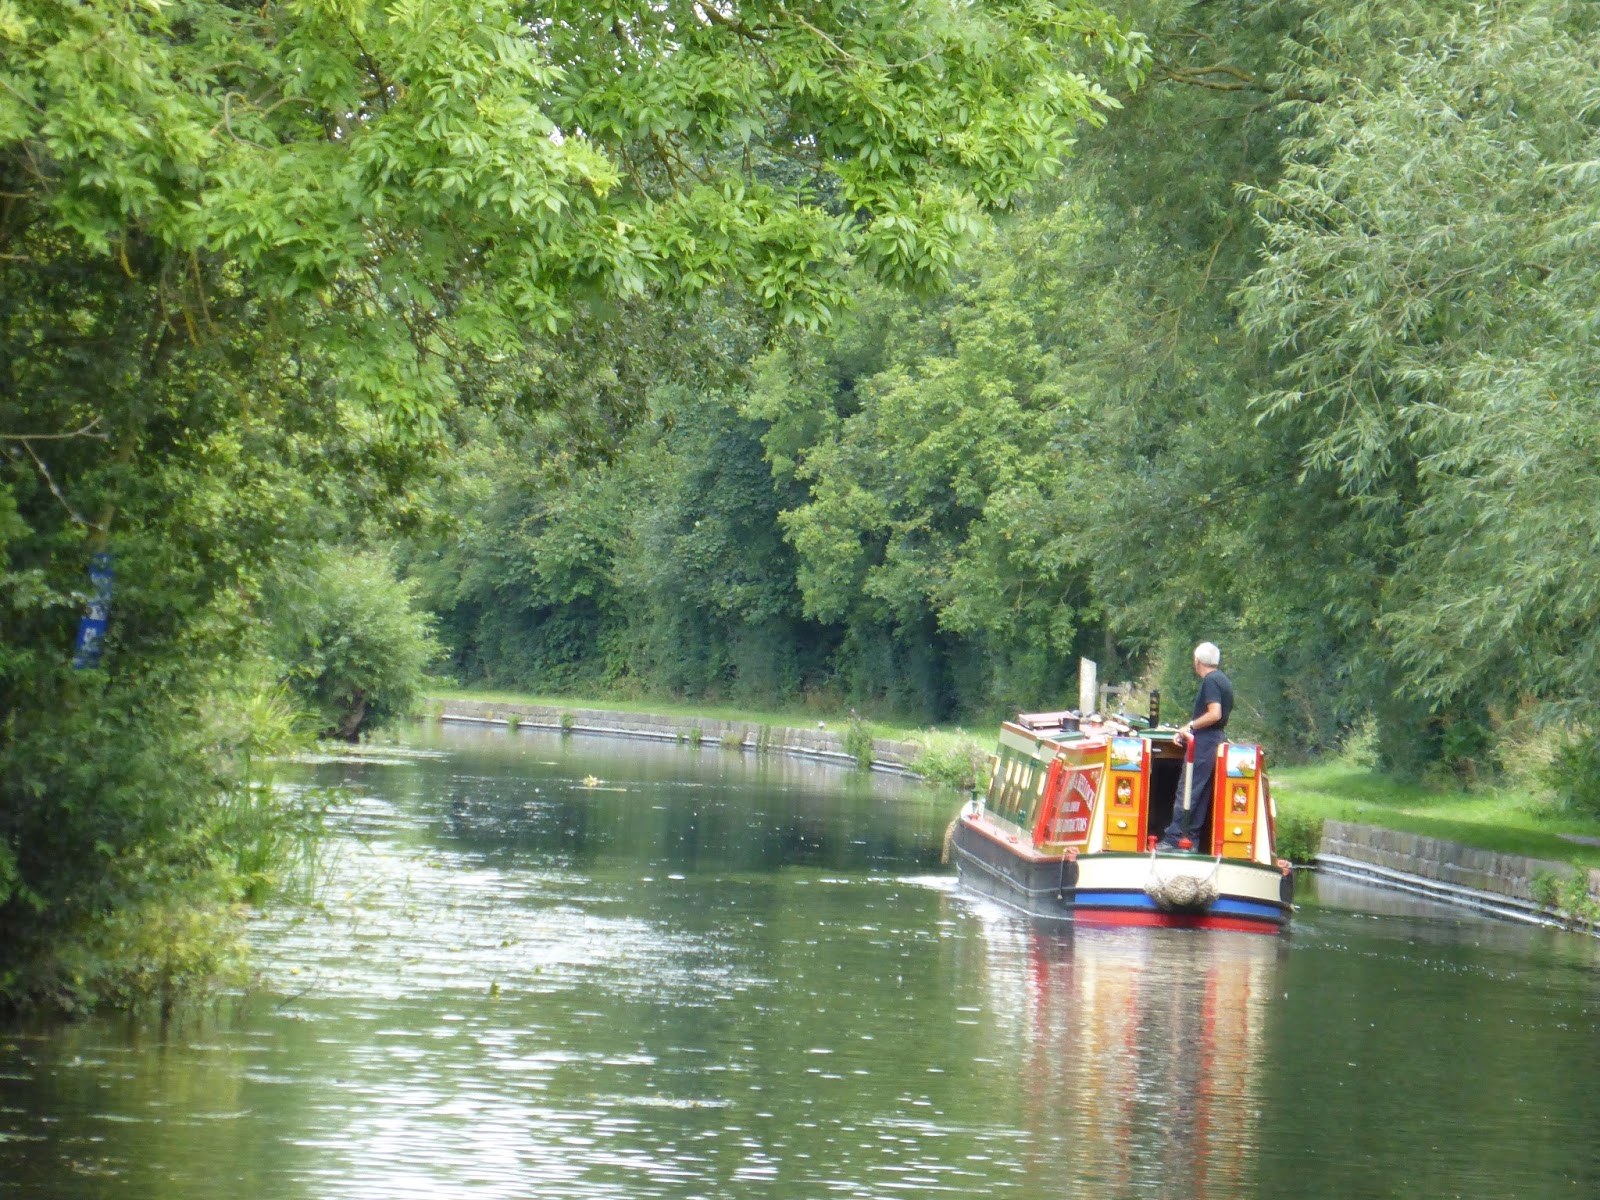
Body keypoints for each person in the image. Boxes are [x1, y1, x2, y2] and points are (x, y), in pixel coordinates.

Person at [1159, 642, 1233, 850]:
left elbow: (1214, 714)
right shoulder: (1224, 681)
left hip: (1204, 741)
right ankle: (1192, 840)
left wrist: (1189, 727)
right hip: (1216, 739)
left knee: (1188, 789)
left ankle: (1174, 839)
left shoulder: (1210, 681)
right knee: (1201, 791)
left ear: (1197, 661)